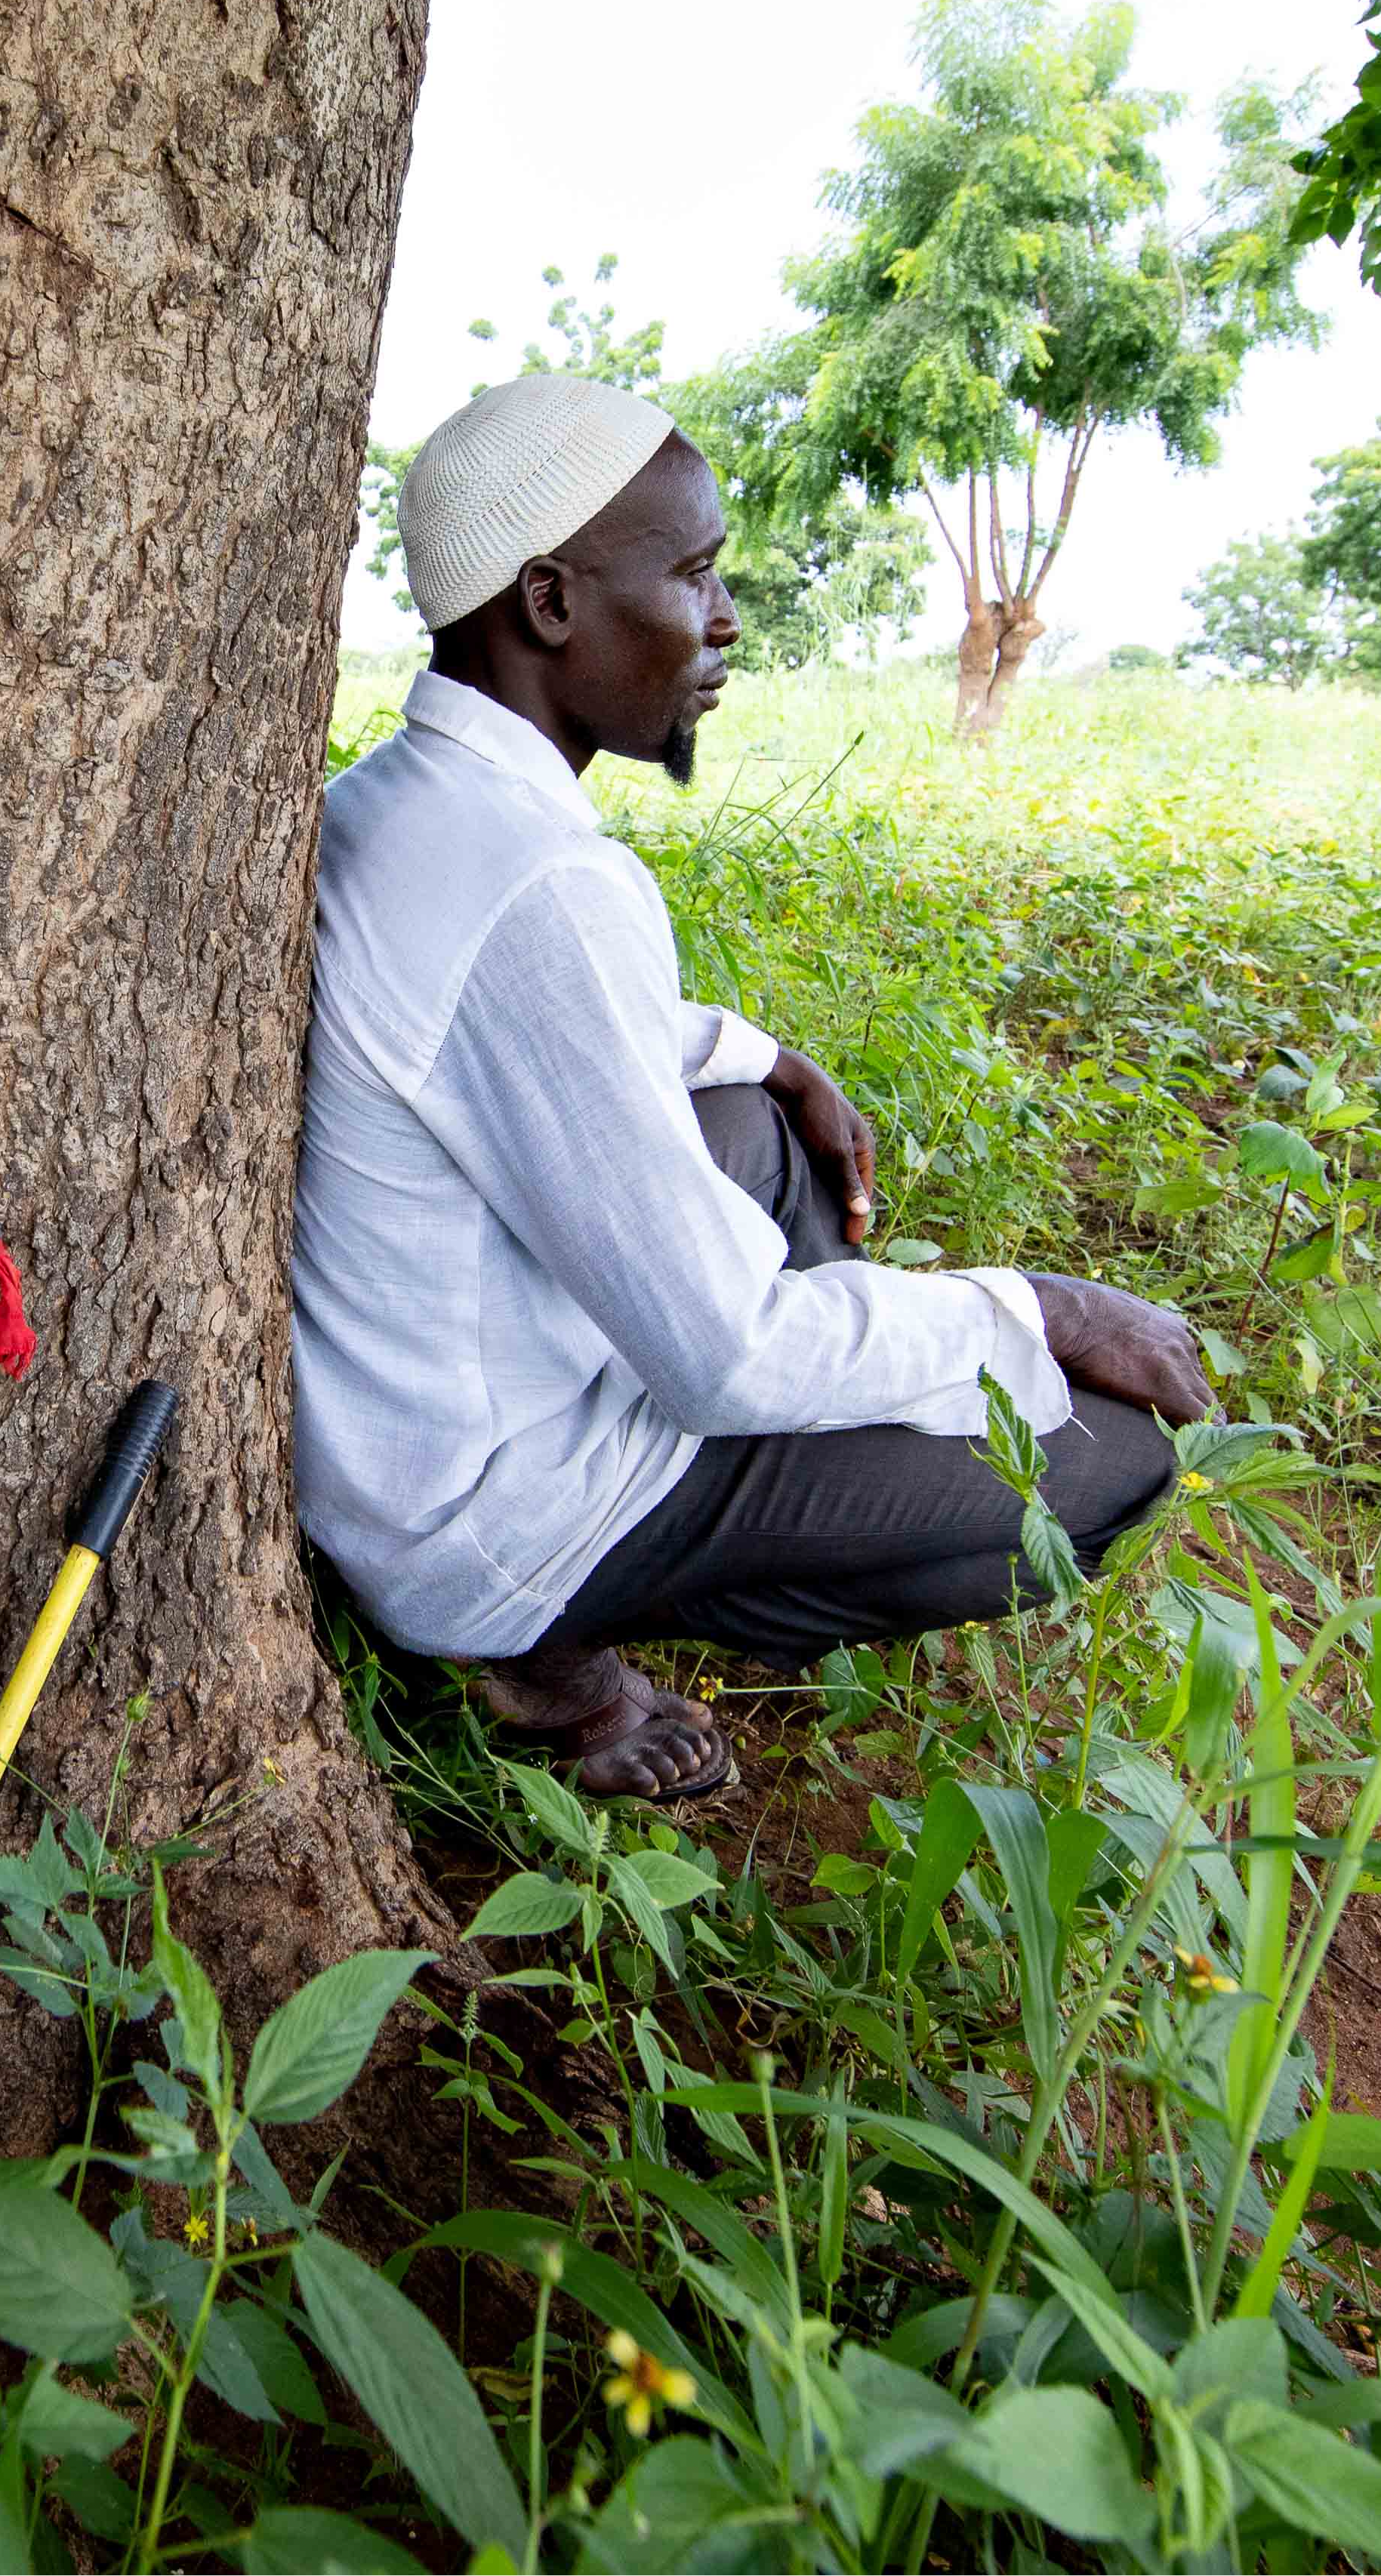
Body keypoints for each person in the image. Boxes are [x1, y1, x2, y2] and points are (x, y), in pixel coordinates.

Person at [292, 372, 1215, 1800]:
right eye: (694, 573)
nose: (723, 620)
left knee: (753, 1126)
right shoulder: (538, 882)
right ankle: (554, 1644)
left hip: (417, 1420)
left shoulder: (395, 803)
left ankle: (823, 1412)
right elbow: (719, 1357)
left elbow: (541, 1031)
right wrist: (1037, 1308)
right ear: (549, 603)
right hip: (482, 1515)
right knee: (1106, 1461)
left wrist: (773, 1057)